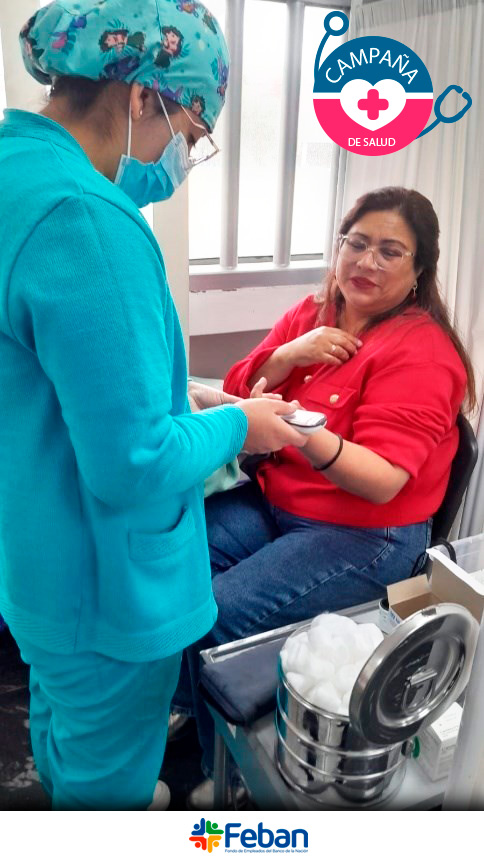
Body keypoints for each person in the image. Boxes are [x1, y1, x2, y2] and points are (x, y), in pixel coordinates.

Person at [0, 0, 308, 811]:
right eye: (192, 134)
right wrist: (240, 423)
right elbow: (133, 461)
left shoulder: (14, 171)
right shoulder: (86, 220)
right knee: (106, 776)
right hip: (105, 589)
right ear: (142, 94)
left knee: (63, 725)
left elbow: (49, 379)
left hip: (39, 559)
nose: (181, 158)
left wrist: (182, 396)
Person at [173, 186, 477, 808]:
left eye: (390, 251)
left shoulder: (423, 352)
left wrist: (299, 431)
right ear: (337, 247)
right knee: (168, 560)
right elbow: (242, 388)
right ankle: (190, 698)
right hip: (278, 500)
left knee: (214, 612)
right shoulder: (318, 312)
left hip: (364, 534)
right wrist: (289, 354)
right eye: (356, 243)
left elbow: (384, 479)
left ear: (419, 269)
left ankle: (221, 770)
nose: (366, 262)